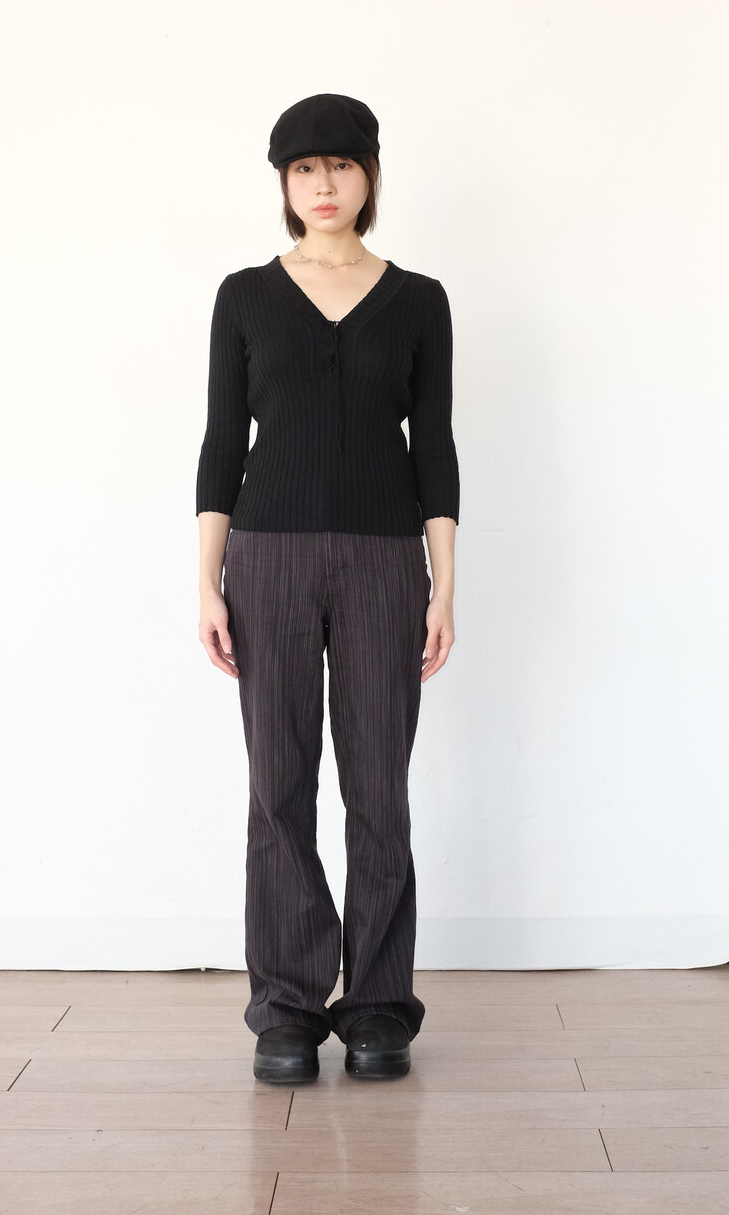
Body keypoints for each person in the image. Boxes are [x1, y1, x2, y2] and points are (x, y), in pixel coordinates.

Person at [196, 93, 459, 1083]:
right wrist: (207, 580)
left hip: (386, 559)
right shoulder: (245, 296)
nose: (322, 184)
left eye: (340, 165)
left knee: (378, 785)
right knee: (278, 782)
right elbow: (222, 443)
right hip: (266, 557)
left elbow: (433, 448)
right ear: (283, 182)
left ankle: (380, 1005)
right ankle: (289, 1008)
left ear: (370, 175)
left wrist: (443, 584)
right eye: (303, 168)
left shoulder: (418, 299)